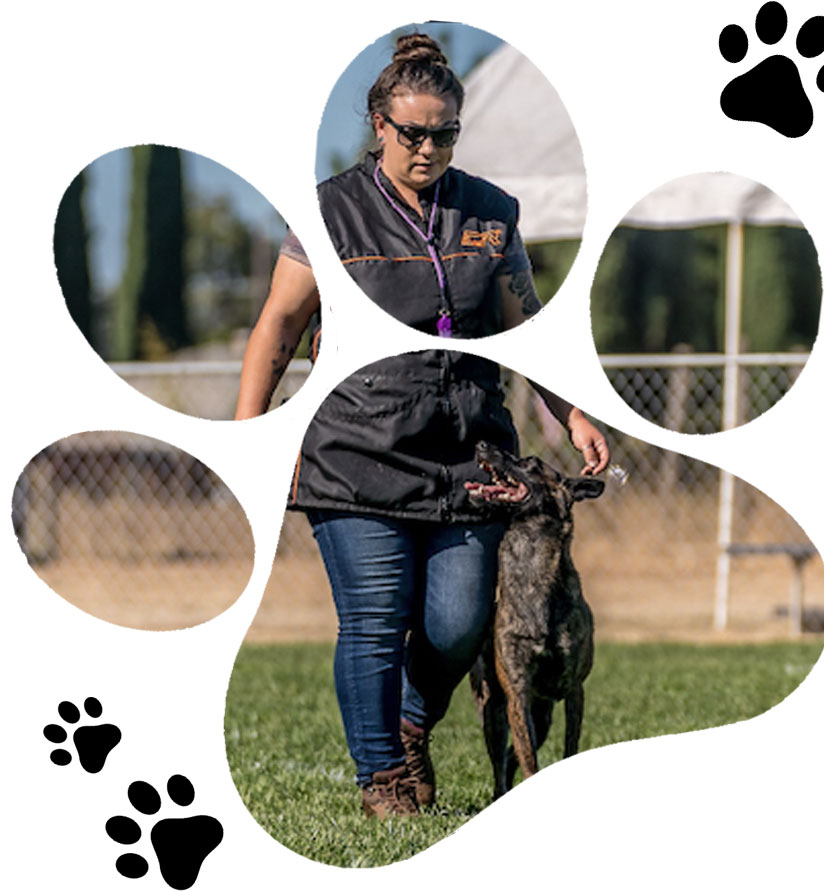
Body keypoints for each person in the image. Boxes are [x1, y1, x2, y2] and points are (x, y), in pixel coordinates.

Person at [235, 32, 609, 818]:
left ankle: (409, 723)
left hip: (471, 458)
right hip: (355, 454)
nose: (429, 148)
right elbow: (275, 328)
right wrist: (252, 437)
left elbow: (524, 328)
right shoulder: (329, 214)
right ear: (380, 125)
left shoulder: (489, 213)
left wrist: (570, 411)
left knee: (456, 624)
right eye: (414, 133)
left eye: (445, 134)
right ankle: (385, 780)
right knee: (374, 616)